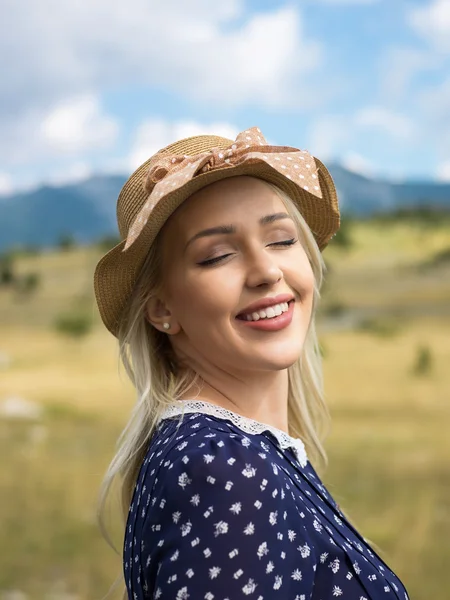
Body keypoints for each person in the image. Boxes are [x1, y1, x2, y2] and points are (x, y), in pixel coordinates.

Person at [94, 127, 410, 599]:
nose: (266, 271)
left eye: (281, 240)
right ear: (162, 309)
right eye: (218, 255)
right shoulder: (222, 469)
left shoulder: (244, 452)